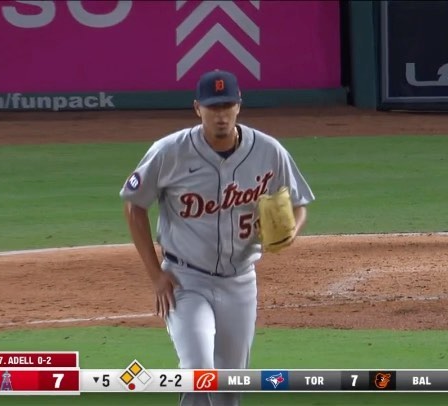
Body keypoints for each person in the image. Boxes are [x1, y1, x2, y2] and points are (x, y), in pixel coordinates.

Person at [120, 69, 314, 405]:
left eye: (227, 106)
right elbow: (134, 205)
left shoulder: (268, 151)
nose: (220, 115)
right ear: (198, 108)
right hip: (186, 280)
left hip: (240, 282)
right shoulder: (169, 151)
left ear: (239, 106)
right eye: (213, 107)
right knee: (198, 371)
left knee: (228, 388)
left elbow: (298, 204)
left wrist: (291, 231)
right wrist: (156, 276)